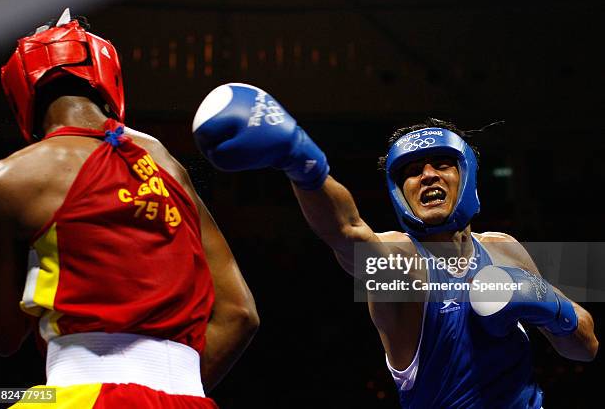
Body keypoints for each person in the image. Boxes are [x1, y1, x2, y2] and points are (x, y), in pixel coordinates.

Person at [192, 83, 599, 408]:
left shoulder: (506, 248)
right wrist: (300, 161)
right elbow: (348, 233)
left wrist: (549, 305)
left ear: (468, 175)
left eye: (441, 163)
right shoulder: (402, 264)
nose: (426, 175)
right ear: (398, 190)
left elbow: (586, 348)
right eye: (410, 171)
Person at [0, 10, 259, 408]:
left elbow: (3, 336)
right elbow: (240, 314)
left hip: (73, 396)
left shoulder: (8, 178)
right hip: (187, 398)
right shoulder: (167, 164)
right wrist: (164, 390)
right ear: (108, 79)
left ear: (19, 94)